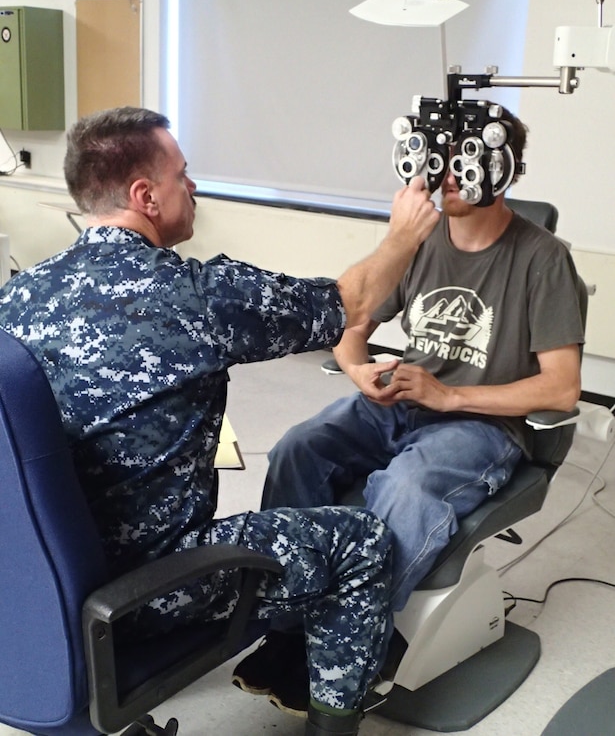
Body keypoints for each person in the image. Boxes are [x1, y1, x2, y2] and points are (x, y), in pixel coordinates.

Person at [0, 106, 440, 736]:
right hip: (143, 588)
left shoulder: (17, 296)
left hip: (33, 584)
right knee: (361, 542)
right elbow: (352, 303)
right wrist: (404, 234)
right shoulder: (198, 296)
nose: (194, 186)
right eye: (183, 175)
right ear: (144, 195)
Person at [235, 104, 585, 713]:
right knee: (299, 445)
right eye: (434, 161)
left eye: (459, 164)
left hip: (484, 421)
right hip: (402, 398)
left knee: (408, 484)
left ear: (497, 168)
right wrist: (357, 366)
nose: (441, 178)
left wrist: (450, 395)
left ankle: (354, 639)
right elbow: (352, 318)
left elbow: (560, 389)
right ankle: (291, 621)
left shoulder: (543, 258)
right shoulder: (419, 242)